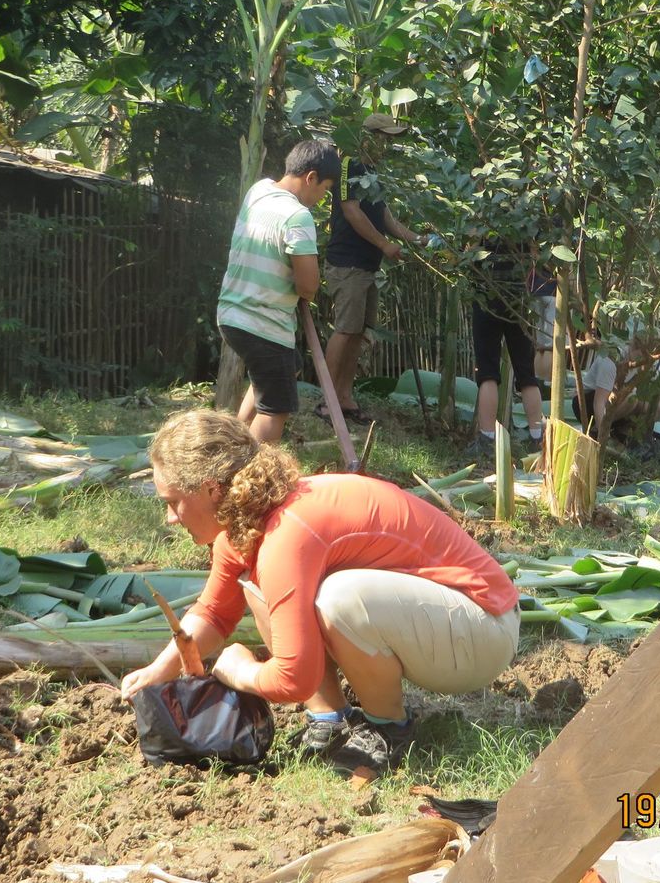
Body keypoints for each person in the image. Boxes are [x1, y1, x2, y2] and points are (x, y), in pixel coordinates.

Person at [121, 409, 521, 776]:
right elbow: (214, 612)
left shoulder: (287, 533)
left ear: (210, 490)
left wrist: (239, 671)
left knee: (339, 598)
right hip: (444, 626)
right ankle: (330, 719)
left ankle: (387, 730)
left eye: (172, 502)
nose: (169, 518)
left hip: (485, 630)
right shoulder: (248, 524)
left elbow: (294, 678)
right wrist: (159, 672)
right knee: (256, 586)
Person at [217, 139, 342, 444]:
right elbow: (308, 286)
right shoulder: (297, 216)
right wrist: (307, 288)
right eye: (324, 188)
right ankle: (250, 474)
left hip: (232, 315)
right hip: (264, 324)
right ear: (310, 177)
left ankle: (235, 441)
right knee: (276, 408)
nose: (322, 197)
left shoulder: (258, 192)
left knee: (282, 372)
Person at [319, 113, 423, 423]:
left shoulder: (374, 173)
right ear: (367, 136)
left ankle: (345, 397)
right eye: (384, 137)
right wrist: (384, 246)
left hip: (366, 266)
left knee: (358, 331)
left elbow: (386, 218)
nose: (387, 145)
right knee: (345, 329)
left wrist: (419, 239)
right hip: (347, 262)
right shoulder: (349, 165)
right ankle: (327, 400)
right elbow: (351, 213)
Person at [468, 238, 546, 460]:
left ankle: (486, 440)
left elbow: (469, 251)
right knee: (527, 373)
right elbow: (536, 254)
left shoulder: (483, 211)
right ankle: (537, 438)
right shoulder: (525, 213)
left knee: (487, 372)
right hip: (518, 296)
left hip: (486, 293)